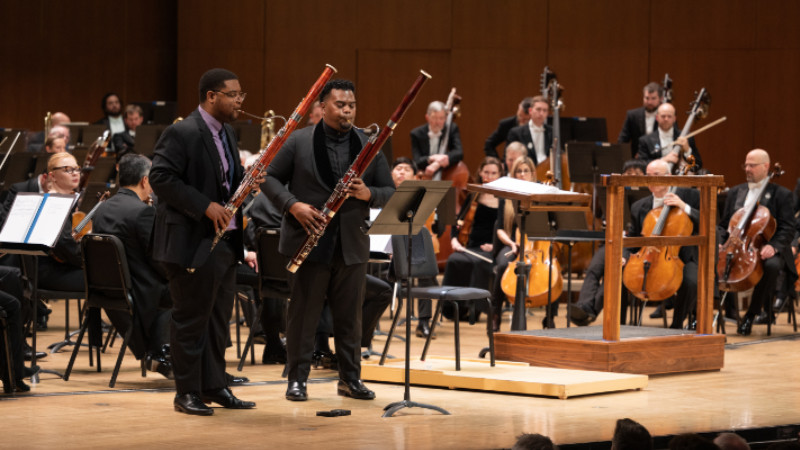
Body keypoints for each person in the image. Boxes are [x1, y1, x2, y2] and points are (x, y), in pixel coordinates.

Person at [263, 78, 394, 402]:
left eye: (351, 104)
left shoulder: (368, 144)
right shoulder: (299, 141)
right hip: (308, 241)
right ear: (322, 107)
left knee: (349, 318)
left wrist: (369, 193)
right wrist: (292, 205)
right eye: (340, 104)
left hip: (351, 244)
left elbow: (390, 191)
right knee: (303, 317)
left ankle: (350, 379)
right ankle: (297, 380)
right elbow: (267, 176)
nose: (347, 109)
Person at [150, 68, 255, 415]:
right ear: (212, 96)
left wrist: (248, 182)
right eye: (234, 94)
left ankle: (214, 385)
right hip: (191, 240)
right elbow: (160, 178)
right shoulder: (181, 132)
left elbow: (226, 181)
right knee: (191, 318)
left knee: (218, 319)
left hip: (223, 241)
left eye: (241, 94)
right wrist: (204, 205)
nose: (240, 100)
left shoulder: (226, 133)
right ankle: (186, 393)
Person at [572, 160, 700, 329]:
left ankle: (676, 326)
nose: (651, 179)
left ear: (668, 177)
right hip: (646, 256)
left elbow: (710, 224)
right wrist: (624, 257)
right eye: (648, 176)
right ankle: (615, 324)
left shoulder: (688, 197)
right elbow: (631, 240)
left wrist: (683, 206)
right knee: (618, 269)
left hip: (682, 256)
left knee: (690, 281)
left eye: (656, 175)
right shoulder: (639, 206)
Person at [91, 154, 173, 379]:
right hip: (140, 290)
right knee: (192, 291)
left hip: (108, 290)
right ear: (145, 181)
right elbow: (157, 260)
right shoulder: (142, 211)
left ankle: (157, 351)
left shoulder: (102, 208)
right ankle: (171, 355)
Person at [717, 150, 797, 335]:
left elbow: (788, 228)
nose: (747, 169)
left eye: (752, 165)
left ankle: (751, 315)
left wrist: (774, 246)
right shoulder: (736, 191)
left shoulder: (781, 194)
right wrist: (721, 243)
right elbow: (724, 224)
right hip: (736, 245)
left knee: (771, 266)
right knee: (715, 261)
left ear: (766, 167)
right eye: (746, 165)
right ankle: (708, 315)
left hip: (768, 247)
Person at [569, 159, 646, 326]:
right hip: (611, 242)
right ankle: (584, 305)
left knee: (614, 272)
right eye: (628, 174)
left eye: (637, 174)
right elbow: (604, 221)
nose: (631, 177)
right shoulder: (612, 195)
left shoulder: (646, 200)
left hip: (634, 248)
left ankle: (590, 311)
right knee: (594, 268)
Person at [441, 157, 502, 321]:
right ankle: (452, 309)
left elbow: (508, 229)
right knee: (454, 260)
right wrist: (454, 239)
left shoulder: (505, 199)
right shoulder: (474, 195)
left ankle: (474, 309)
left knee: (479, 263)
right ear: (480, 173)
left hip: (492, 249)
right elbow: (458, 222)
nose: (489, 176)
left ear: (500, 175)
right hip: (471, 246)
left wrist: (494, 246)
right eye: (486, 172)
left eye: (494, 173)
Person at [389, 156, 438, 338]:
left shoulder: (424, 197)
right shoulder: (383, 194)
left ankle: (423, 322)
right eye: (398, 168)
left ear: (416, 176)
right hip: (389, 250)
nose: (401, 171)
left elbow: (435, 227)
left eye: (406, 169)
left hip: (414, 247)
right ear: (391, 173)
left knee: (425, 269)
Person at [492, 156, 536, 331]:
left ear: (532, 174)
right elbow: (500, 229)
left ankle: (550, 317)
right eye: (519, 171)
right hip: (512, 245)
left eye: (526, 171)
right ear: (514, 173)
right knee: (503, 265)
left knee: (548, 271)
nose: (522, 174)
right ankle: (495, 313)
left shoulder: (539, 195)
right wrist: (511, 243)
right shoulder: (506, 196)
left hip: (534, 247)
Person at [637, 103, 702, 171]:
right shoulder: (645, 140)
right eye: (663, 116)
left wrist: (687, 150)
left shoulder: (686, 136)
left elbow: (698, 165)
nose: (666, 119)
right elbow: (641, 165)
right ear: (657, 117)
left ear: (674, 119)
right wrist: (664, 160)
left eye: (669, 116)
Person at [410, 100, 463, 179]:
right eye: (434, 118)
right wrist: (432, 158)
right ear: (427, 117)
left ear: (446, 118)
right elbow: (417, 160)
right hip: (426, 174)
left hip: (446, 172)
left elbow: (459, 153)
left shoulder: (452, 129)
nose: (438, 122)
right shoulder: (416, 133)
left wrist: (438, 163)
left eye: (441, 118)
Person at [618, 82, 664, 158]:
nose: (649, 102)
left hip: (659, 158)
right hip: (636, 159)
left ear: (660, 99)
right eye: (647, 98)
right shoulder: (632, 115)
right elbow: (622, 140)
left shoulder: (666, 116)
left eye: (653, 98)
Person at [505, 95, 552, 167]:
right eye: (538, 109)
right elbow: (508, 157)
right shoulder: (516, 132)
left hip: (547, 174)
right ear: (530, 110)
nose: (541, 113)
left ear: (547, 113)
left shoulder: (552, 131)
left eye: (544, 110)